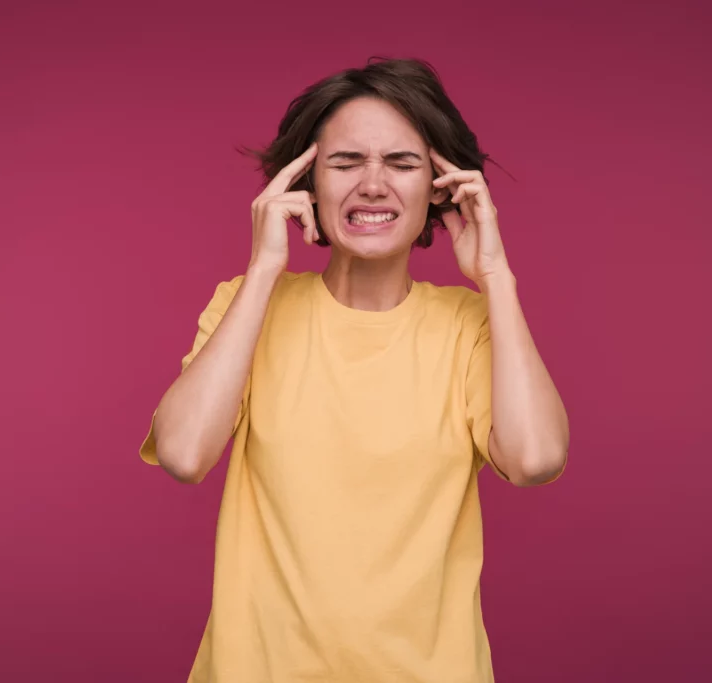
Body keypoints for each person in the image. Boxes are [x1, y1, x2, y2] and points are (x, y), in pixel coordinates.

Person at [138, 57, 569, 683]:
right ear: (306, 182)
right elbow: (182, 453)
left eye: (402, 163)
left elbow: (535, 460)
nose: (373, 185)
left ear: (441, 187)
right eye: (345, 163)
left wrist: (496, 277)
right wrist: (263, 271)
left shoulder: (469, 326)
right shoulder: (248, 307)